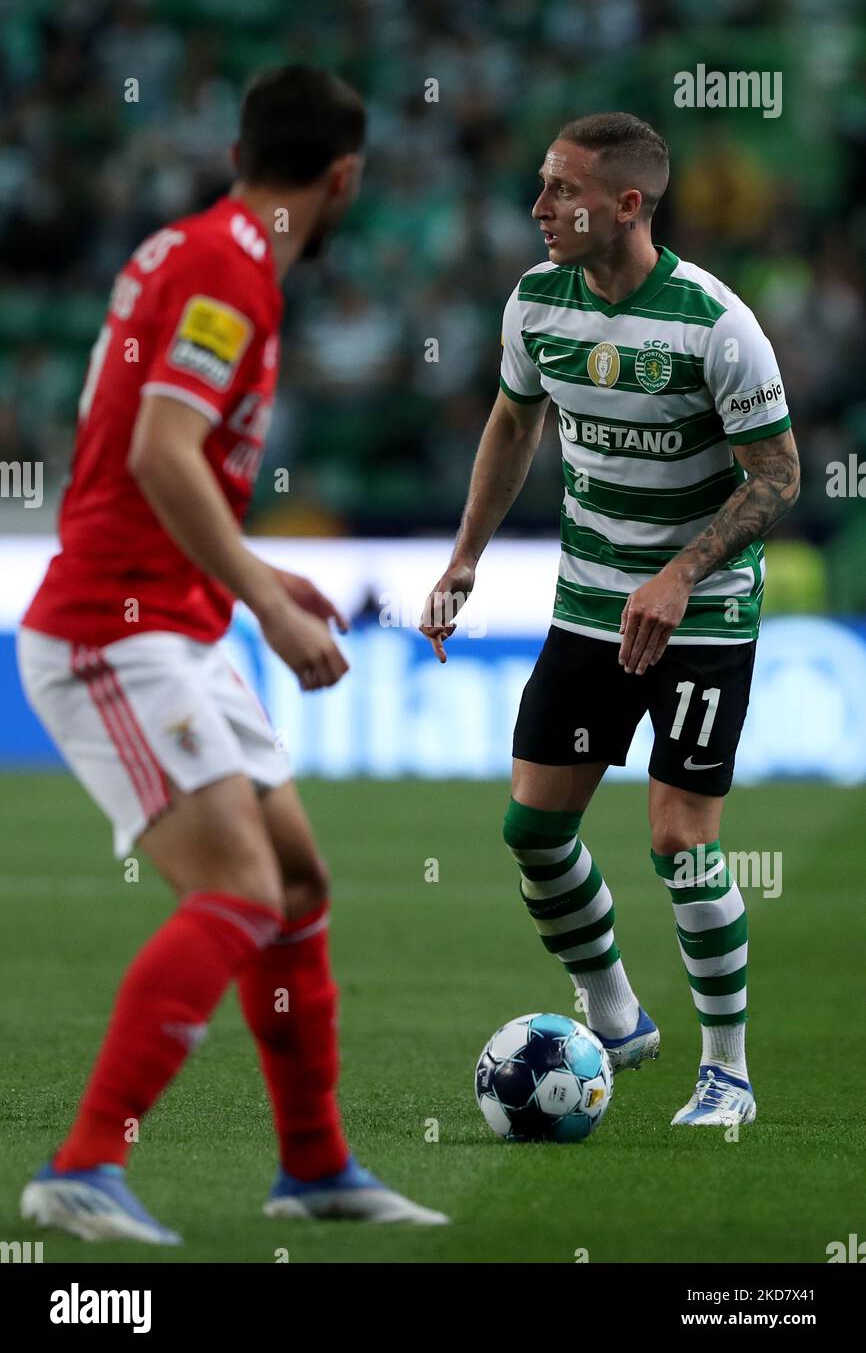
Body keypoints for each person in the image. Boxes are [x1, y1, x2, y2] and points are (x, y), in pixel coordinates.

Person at [18, 64, 446, 1243]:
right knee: (238, 888)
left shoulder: (195, 246)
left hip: (177, 614)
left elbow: (161, 460)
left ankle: (314, 1166)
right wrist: (263, 595)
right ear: (343, 177)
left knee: (296, 883)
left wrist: (244, 571)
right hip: (116, 626)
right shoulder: (227, 268)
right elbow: (159, 452)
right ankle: (82, 1164)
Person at [421, 112, 799, 1128]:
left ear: (627, 204)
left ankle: (726, 1073)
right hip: (589, 606)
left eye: (561, 190)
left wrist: (678, 574)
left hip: (702, 615)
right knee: (532, 831)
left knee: (679, 840)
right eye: (541, 186)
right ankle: (618, 1012)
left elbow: (778, 473)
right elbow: (512, 421)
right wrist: (465, 557)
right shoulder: (536, 302)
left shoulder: (715, 324)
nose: (540, 208)